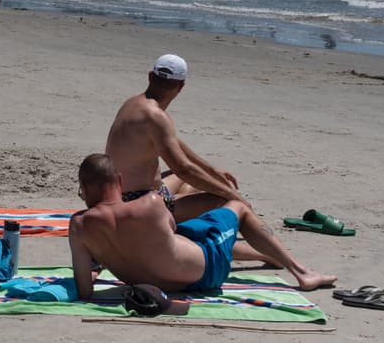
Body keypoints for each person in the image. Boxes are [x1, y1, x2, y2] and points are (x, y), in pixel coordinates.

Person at [68, 154, 336, 299]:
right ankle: (302, 273)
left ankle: (265, 254)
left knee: (186, 236)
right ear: (119, 180)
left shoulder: (78, 226)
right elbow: (171, 226)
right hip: (204, 273)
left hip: (149, 283)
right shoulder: (150, 204)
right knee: (237, 207)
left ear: (85, 188)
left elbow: (85, 290)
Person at [106, 53, 279, 265]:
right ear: (181, 87)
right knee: (224, 201)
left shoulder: (133, 103)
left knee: (195, 181)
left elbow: (174, 144)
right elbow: (184, 169)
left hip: (117, 193)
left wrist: (212, 171)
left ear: (150, 76)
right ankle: (264, 252)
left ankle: (193, 215)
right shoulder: (156, 116)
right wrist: (231, 194)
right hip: (137, 204)